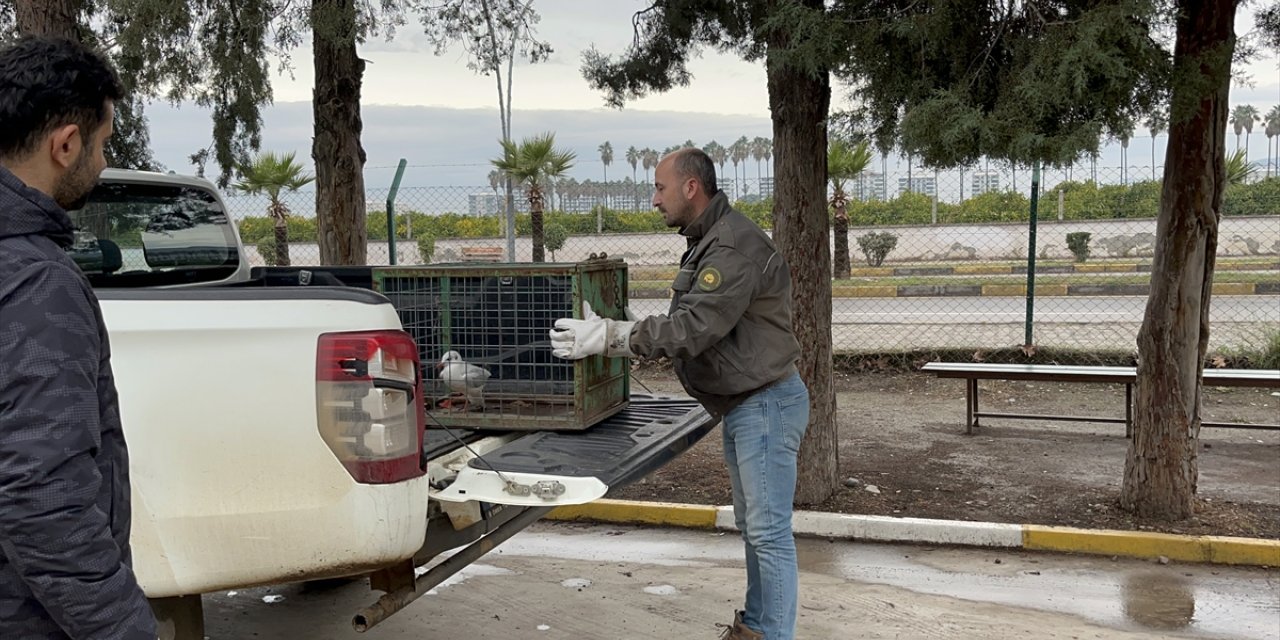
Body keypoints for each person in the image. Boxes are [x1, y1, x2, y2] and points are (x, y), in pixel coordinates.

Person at [550, 147, 809, 640]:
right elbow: (691, 317)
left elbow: (693, 328)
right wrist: (619, 325)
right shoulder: (710, 239)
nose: (653, 199)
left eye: (660, 188)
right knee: (756, 530)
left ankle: (770, 633)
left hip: (767, 404)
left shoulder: (729, 247)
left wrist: (613, 336)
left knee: (768, 533)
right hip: (748, 405)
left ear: (692, 187)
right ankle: (757, 627)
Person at [0, 36, 158, 638]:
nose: (102, 160)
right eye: (103, 143)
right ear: (66, 144)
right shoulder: (37, 281)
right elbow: (42, 501)